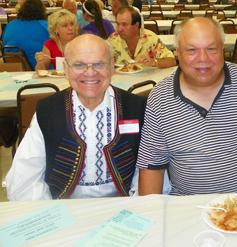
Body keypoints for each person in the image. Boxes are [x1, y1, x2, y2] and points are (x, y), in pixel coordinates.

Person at [136, 17, 237, 196]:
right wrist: (150, 213)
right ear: (178, 53)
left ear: (222, 49)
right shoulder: (160, 99)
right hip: (191, 204)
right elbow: (152, 166)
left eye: (211, 49)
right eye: (192, 50)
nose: (203, 59)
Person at [6, 34, 147, 201]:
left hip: (123, 204)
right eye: (79, 65)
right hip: (62, 206)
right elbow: (26, 175)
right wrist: (51, 214)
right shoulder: (48, 111)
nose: (90, 73)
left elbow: (149, 169)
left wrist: (136, 206)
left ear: (111, 67)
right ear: (66, 70)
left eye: (99, 64)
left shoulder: (137, 107)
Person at [108, 7, 176, 68]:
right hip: (120, 81)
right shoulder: (113, 39)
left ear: (136, 26)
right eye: (118, 24)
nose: (119, 29)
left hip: (147, 81)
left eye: (124, 25)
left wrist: (154, 62)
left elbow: (172, 61)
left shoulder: (150, 38)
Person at [3, 0, 50, 69]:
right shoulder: (45, 26)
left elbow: (4, 42)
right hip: (38, 66)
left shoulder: (10, 25)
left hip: (12, 66)